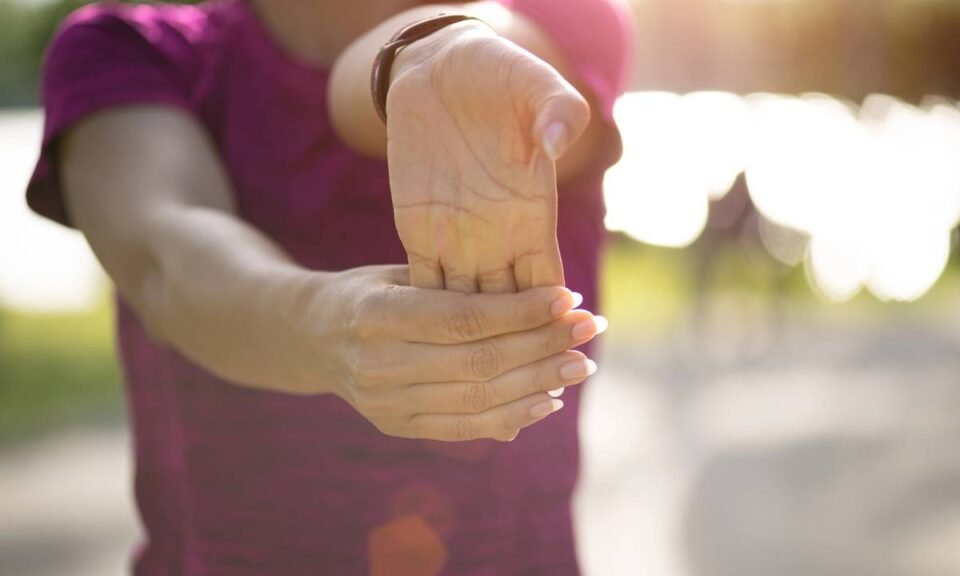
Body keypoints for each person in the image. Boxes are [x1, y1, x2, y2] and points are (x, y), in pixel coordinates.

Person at [26, 0, 633, 573]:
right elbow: (167, 257)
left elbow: (482, 62)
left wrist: (432, 50)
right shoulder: (130, 51)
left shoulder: (562, 18)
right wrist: (326, 327)